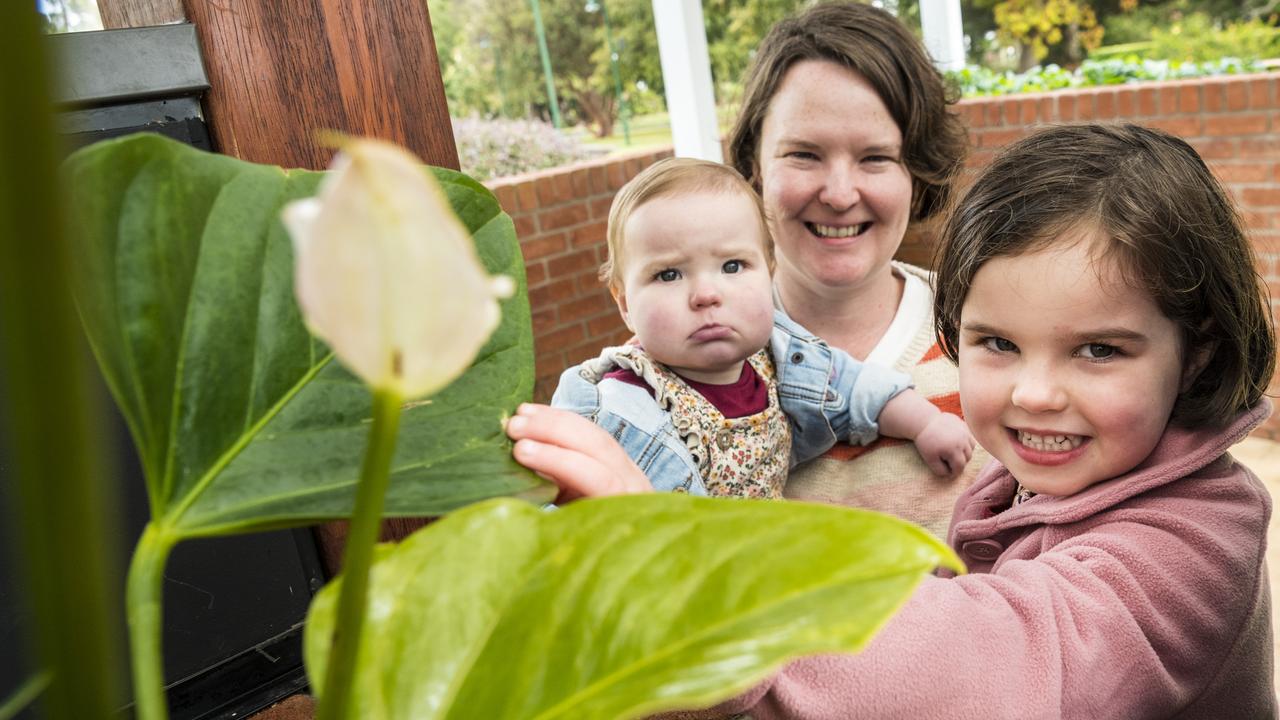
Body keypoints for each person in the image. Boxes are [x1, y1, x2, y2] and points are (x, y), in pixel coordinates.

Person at [507, 123, 1278, 717]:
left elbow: (996, 665)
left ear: (1199, 356)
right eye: (997, 344)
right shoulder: (1041, 479)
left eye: (1100, 350)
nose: (1034, 394)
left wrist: (667, 562)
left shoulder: (1199, 539)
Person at [552, 157, 973, 498]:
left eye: (732, 266)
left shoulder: (781, 357)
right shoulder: (619, 404)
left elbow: (855, 389)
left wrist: (926, 424)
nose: (705, 294)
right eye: (668, 275)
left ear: (768, 272)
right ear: (625, 303)